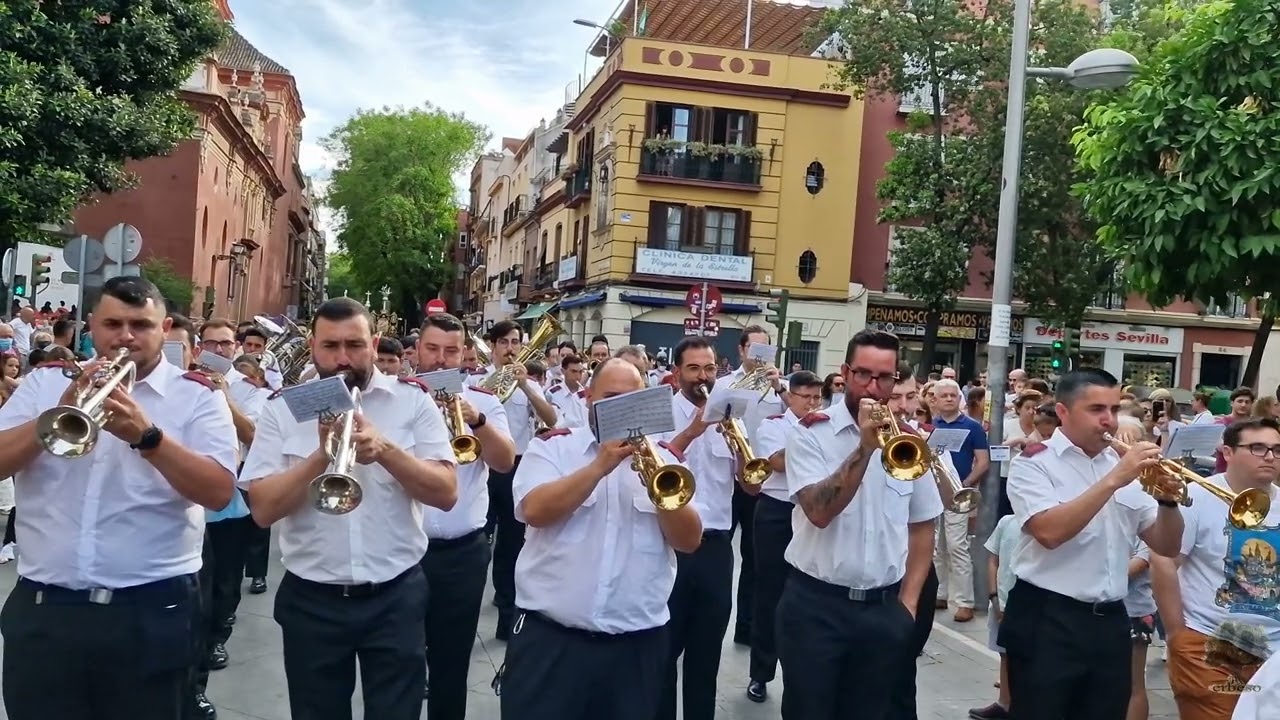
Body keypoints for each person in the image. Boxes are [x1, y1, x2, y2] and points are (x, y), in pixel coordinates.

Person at [0, 276, 238, 720]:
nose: (125, 337)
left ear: (164, 328)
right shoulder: (45, 385)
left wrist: (148, 438)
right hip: (45, 608)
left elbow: (219, 492)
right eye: (112, 323)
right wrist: (51, 419)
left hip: (150, 609)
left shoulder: (197, 396)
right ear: (91, 325)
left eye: (140, 325)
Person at [239, 297, 458, 720]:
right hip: (312, 598)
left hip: (395, 595)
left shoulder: (413, 401)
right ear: (312, 346)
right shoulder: (283, 407)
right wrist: (321, 457)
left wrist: (387, 450)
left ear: (374, 344)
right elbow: (263, 511)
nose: (343, 358)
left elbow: (446, 493)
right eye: (331, 346)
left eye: (355, 345)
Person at [498, 359, 703, 720]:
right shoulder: (554, 448)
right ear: (589, 399)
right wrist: (597, 468)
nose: (621, 409)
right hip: (551, 640)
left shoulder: (668, 460)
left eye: (631, 399)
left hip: (635, 646)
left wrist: (661, 492)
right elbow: (534, 511)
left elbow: (689, 541)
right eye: (610, 398)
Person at [777, 330, 943, 719]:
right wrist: (865, 448)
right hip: (816, 606)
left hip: (882, 610)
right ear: (845, 373)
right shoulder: (810, 432)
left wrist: (908, 603)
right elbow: (819, 512)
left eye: (884, 378)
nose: (873, 386)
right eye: (863, 375)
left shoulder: (909, 440)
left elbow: (922, 524)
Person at [1002, 368, 1184, 720]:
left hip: (1110, 620)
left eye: (1114, 410)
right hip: (1047, 618)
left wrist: (1167, 501)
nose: (1109, 420)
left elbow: (1167, 544)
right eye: (1097, 409)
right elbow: (1050, 533)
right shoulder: (1034, 463)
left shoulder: (1124, 466)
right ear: (1064, 412)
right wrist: (1115, 479)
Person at [414, 313, 516, 719]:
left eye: (451, 351)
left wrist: (476, 419)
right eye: (433, 349)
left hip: (462, 552)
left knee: (451, 666)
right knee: (396, 664)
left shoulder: (485, 399)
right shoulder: (396, 396)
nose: (441, 360)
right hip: (404, 550)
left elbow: (505, 461)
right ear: (417, 350)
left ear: (465, 355)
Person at [1150, 416, 1280, 720]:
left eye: (1277, 448)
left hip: (1273, 649)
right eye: (1258, 448)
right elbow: (1164, 559)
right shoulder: (1198, 495)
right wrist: (1177, 634)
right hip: (1210, 644)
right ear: (1227, 452)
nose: (1270, 456)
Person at [658, 337, 742, 720]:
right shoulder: (661, 412)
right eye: (693, 369)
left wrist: (741, 449)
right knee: (663, 651)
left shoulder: (730, 417)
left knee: (706, 656)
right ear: (677, 373)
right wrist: (694, 429)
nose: (702, 377)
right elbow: (652, 473)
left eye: (709, 369)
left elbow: (752, 485)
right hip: (669, 547)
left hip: (716, 547)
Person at [467, 319, 557, 639]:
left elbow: (551, 419)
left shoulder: (528, 382)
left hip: (517, 466)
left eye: (515, 342)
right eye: (503, 342)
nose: (510, 348)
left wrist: (526, 387)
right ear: (492, 346)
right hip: (478, 464)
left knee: (511, 542)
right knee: (479, 537)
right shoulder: (476, 381)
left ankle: (507, 615)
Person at [744, 369, 822, 703]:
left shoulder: (824, 426)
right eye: (807, 397)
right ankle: (760, 673)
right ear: (790, 397)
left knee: (808, 596)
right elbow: (776, 462)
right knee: (770, 593)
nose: (813, 403)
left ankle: (801, 674)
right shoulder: (773, 425)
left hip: (809, 512)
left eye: (818, 397)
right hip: (777, 511)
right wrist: (812, 447)